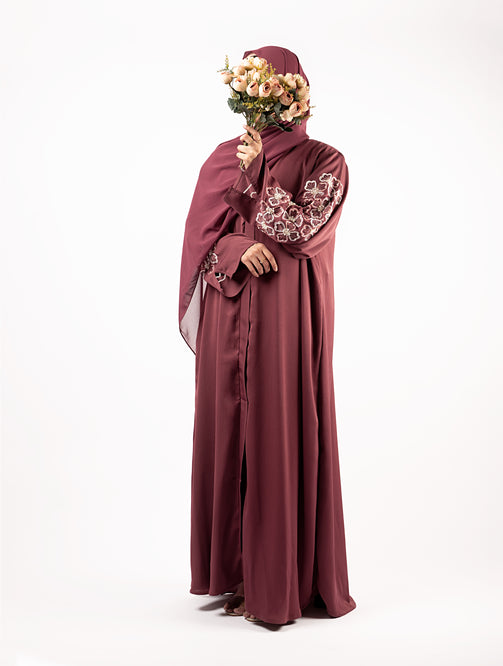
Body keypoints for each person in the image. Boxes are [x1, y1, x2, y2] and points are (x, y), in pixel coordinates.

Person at [178, 45, 357, 625]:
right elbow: (200, 249)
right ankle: (234, 575)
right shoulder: (222, 158)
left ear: (296, 95)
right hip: (228, 315)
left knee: (278, 433)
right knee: (228, 435)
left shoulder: (325, 160)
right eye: (252, 92)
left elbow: (301, 230)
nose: (262, 107)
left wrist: (258, 177)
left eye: (275, 92)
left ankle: (279, 582)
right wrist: (236, 247)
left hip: (286, 321)